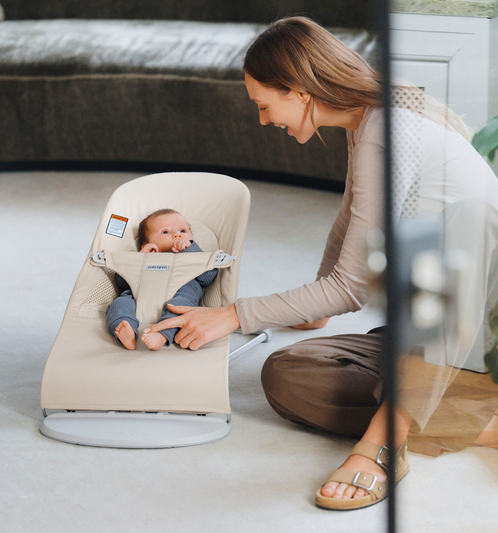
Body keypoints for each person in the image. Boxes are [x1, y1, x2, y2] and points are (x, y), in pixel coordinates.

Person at [143, 16, 498, 510]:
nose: (264, 120)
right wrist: (315, 307)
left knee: (450, 251)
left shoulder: (388, 129)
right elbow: (351, 217)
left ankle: (384, 442)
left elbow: (352, 288)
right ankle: (467, 413)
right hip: (436, 339)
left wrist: (233, 315)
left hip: (476, 329)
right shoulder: (367, 120)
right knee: (289, 374)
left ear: (299, 92)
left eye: (264, 105)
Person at [106, 208, 217, 351]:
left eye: (183, 231)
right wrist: (139, 259)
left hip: (178, 298)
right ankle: (127, 330)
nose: (177, 234)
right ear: (146, 244)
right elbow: (122, 282)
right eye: (166, 232)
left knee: (181, 307)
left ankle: (162, 335)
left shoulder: (195, 257)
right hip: (139, 299)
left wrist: (191, 251)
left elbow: (208, 278)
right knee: (120, 303)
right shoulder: (144, 257)